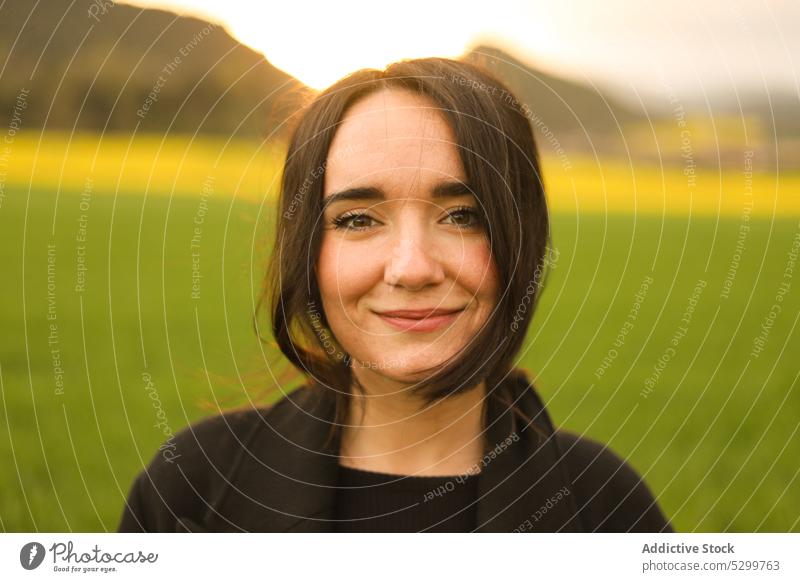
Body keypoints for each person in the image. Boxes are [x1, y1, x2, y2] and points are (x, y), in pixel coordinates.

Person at [117, 56, 673, 533]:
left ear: (521, 239)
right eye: (358, 220)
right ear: (306, 250)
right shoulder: (190, 492)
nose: (411, 268)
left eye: (463, 216)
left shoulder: (608, 512)